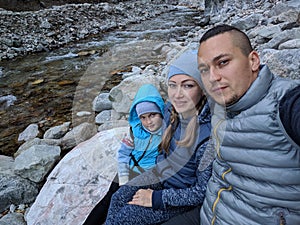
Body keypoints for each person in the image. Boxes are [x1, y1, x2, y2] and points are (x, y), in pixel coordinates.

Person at [197, 24, 300, 225]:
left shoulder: (286, 105)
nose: (212, 77)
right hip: (210, 213)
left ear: (253, 60)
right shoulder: (221, 103)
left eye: (223, 62)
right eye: (204, 69)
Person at [104, 49, 213, 225]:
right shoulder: (171, 111)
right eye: (172, 85)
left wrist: (155, 198)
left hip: (178, 196)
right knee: (118, 197)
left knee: (127, 216)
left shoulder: (207, 136)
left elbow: (201, 191)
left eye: (188, 85)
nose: (178, 94)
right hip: (162, 178)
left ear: (203, 89)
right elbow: (146, 113)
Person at [83, 83, 165, 225]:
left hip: (145, 177)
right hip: (128, 170)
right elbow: (123, 155)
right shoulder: (135, 132)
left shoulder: (167, 133)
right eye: (143, 117)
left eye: (152, 115)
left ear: (161, 111)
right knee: (107, 200)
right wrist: (123, 178)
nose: (148, 122)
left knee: (123, 206)